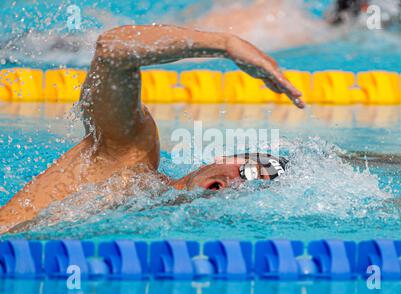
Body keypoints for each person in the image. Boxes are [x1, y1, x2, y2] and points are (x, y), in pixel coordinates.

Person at [0, 24, 303, 233]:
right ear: (222, 157)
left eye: (254, 188)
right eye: (248, 170)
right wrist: (226, 45)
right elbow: (112, 50)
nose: (240, 183)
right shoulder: (130, 157)